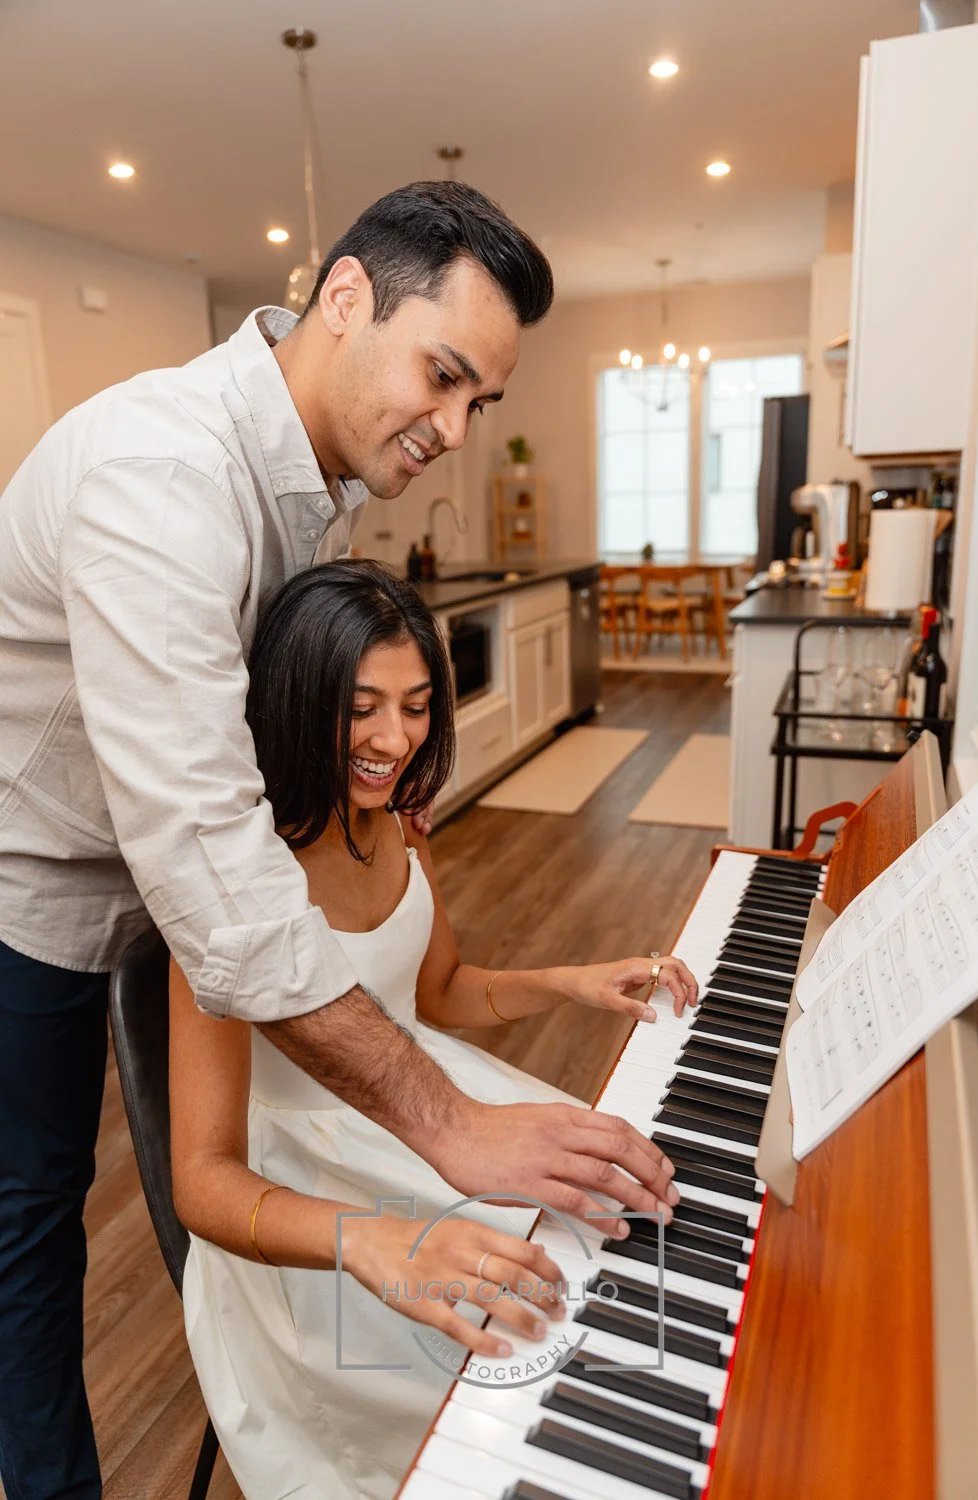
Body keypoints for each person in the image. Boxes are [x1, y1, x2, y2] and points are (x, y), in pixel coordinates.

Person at [0, 180, 684, 1499]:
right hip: (35, 873)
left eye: (478, 401)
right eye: (442, 378)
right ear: (348, 297)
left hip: (176, 865)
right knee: (31, 1222)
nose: (455, 430)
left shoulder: (326, 477)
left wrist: (369, 760)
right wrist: (447, 1126)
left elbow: (258, 714)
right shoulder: (164, 477)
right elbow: (205, 854)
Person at [170, 560, 698, 1499]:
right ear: (299, 699)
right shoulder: (227, 891)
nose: (391, 740)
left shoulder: (399, 824)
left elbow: (441, 992)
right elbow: (201, 1184)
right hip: (311, 1180)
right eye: (361, 706)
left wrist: (573, 982)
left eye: (416, 707)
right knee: (539, 1326)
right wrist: (370, 1242)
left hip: (427, 1091)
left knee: (611, 1215)